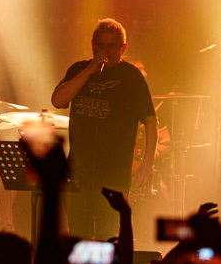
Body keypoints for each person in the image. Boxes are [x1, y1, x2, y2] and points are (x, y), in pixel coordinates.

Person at [50, 18, 158, 240]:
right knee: (77, 234)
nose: (104, 50)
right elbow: (58, 100)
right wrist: (89, 70)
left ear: (123, 49)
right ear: (92, 44)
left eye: (110, 46)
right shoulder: (79, 69)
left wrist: (148, 162)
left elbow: (150, 120)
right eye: (100, 44)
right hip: (78, 171)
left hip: (114, 174)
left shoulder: (131, 77)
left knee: (108, 236)